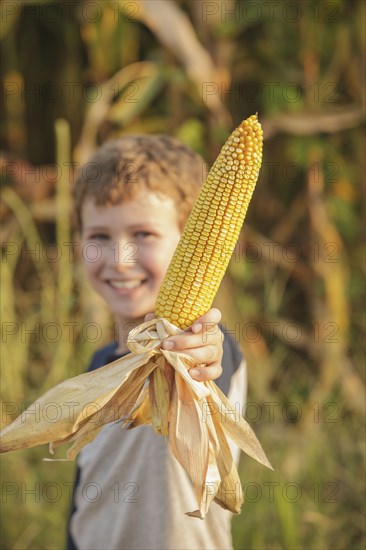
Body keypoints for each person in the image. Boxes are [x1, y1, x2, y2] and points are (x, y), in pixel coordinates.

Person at [67, 134, 247, 550]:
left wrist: (199, 354)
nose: (120, 259)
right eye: (98, 237)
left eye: (143, 234)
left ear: (197, 240)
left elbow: (205, 366)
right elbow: (87, 500)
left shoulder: (197, 349)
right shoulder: (98, 366)